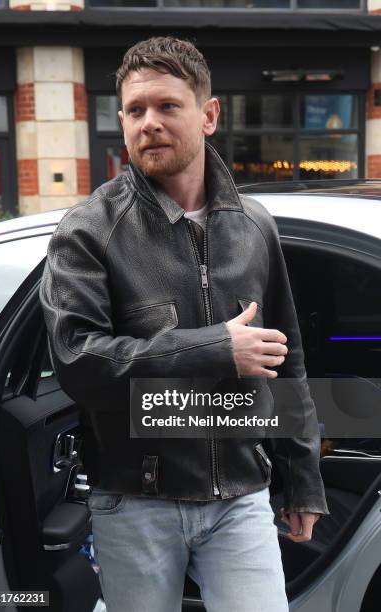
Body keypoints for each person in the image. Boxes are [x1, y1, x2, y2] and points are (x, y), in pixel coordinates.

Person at [39, 36, 329, 612]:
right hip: (135, 500)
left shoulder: (254, 226)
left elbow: (288, 359)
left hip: (242, 495)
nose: (149, 123)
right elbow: (78, 361)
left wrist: (301, 478)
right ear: (120, 120)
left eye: (168, 106)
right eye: (134, 110)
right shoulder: (89, 232)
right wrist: (216, 348)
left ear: (209, 115)